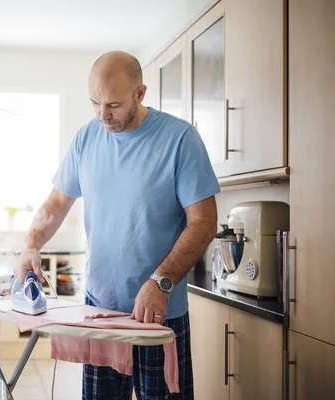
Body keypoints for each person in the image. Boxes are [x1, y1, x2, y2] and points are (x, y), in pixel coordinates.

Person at [14, 50, 219, 399]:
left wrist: (162, 281)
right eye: (95, 103)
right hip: (100, 310)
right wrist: (31, 244)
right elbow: (55, 204)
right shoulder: (86, 138)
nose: (102, 115)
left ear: (140, 94)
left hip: (157, 312)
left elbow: (204, 222)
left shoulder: (180, 140)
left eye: (113, 105)